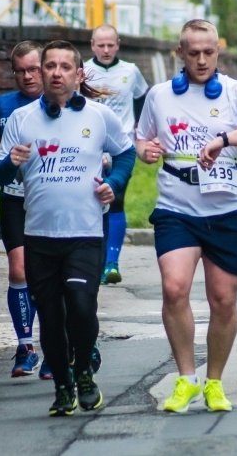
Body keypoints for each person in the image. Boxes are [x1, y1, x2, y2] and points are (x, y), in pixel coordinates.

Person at [136, 19, 237, 413]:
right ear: (179, 53)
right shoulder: (160, 96)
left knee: (223, 300)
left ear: (218, 51)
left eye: (209, 52)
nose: (201, 60)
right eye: (193, 52)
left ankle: (213, 381)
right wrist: (144, 150)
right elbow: (142, 137)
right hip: (176, 207)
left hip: (226, 209)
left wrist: (225, 139)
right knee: (174, 288)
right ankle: (185, 378)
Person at [0, 40, 136, 416]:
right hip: (39, 236)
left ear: (78, 73)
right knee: (52, 317)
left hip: (86, 234)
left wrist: (115, 183)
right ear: (41, 72)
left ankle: (84, 370)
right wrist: (10, 161)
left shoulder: (99, 116)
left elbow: (125, 153)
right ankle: (63, 386)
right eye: (50, 66)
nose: (56, 73)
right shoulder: (22, 119)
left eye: (64, 67)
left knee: (82, 306)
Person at [0, 41, 54, 380]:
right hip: (14, 197)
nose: (27, 76)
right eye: (20, 71)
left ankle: (56, 345)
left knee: (50, 272)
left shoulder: (59, 103)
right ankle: (25, 347)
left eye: (33, 69)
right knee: (19, 268)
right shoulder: (2, 107)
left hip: (49, 197)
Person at [85, 24, 150, 284]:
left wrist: (139, 129)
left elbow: (142, 98)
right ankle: (94, 260)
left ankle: (111, 262)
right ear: (92, 45)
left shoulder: (131, 71)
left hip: (122, 146)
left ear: (118, 44)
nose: (106, 50)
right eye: (101, 45)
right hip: (91, 146)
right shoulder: (85, 71)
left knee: (116, 199)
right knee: (92, 202)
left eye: (111, 44)